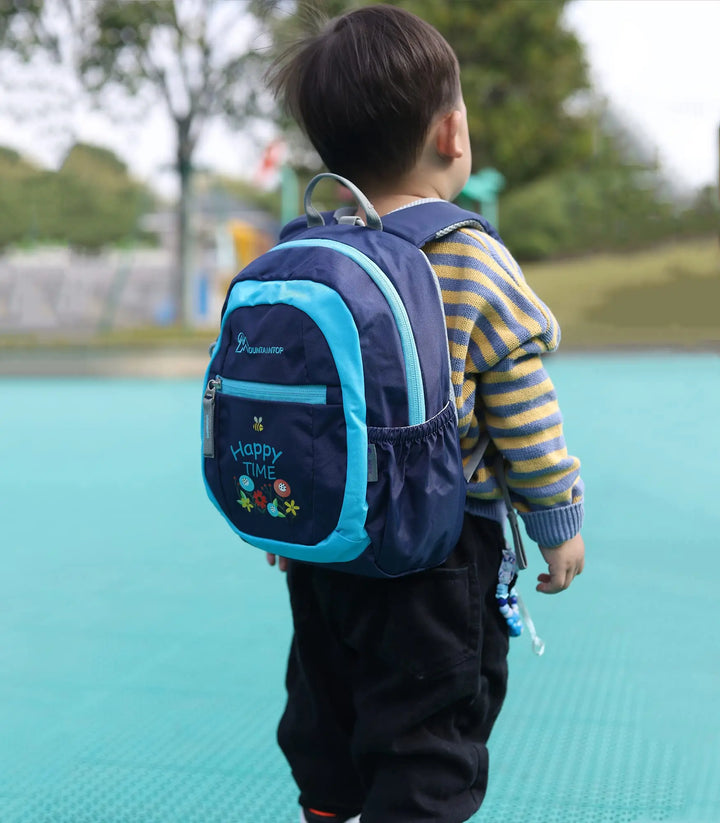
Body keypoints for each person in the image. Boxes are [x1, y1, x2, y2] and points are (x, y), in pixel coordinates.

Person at [265, 6, 585, 823]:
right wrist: (556, 514)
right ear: (452, 133)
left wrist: (291, 522)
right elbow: (521, 406)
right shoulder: (470, 253)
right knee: (428, 743)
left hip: (326, 549)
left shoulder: (308, 248)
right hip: (440, 554)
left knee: (325, 712)